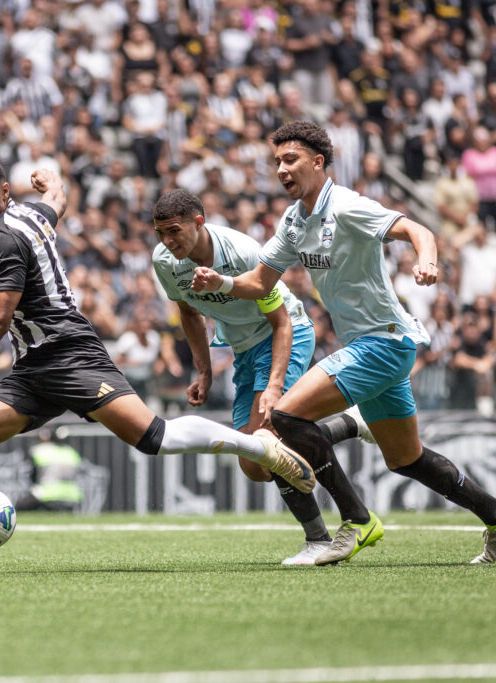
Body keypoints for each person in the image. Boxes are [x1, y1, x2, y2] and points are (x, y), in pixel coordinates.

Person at [0, 157, 315, 566]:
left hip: (70, 356)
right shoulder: (30, 215)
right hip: (33, 368)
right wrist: (53, 181)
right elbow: (57, 201)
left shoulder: (1, 241)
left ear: (3, 193)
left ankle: (258, 447)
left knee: (155, 437)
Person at [191, 121, 496, 565]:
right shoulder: (295, 221)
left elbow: (418, 231)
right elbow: (259, 282)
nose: (281, 169)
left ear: (318, 161)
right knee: (406, 458)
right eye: (276, 162)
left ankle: (357, 520)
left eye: (290, 159)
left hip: (384, 342)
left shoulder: (347, 206)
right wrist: (221, 281)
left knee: (288, 414)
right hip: (373, 346)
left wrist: (426, 261)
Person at [152, 188, 375, 565]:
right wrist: (203, 371)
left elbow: (282, 322)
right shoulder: (165, 262)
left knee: (268, 440)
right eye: (161, 234)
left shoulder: (242, 253)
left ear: (199, 223)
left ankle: (318, 540)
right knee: (254, 464)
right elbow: (189, 314)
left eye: (174, 231)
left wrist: (274, 386)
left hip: (284, 336)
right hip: (242, 349)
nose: (168, 241)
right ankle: (348, 424)